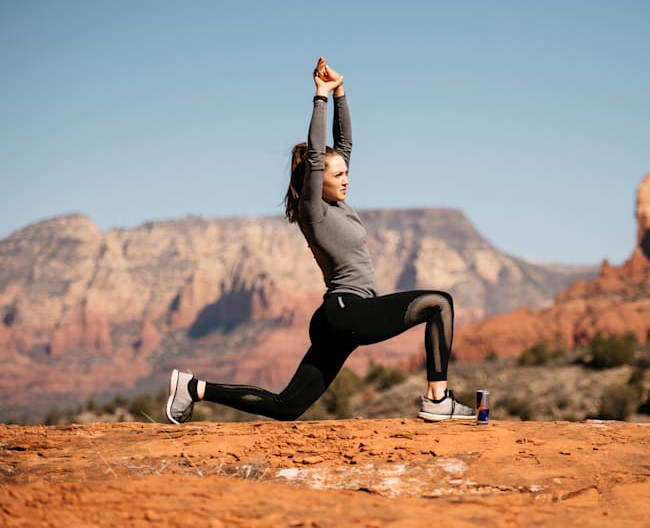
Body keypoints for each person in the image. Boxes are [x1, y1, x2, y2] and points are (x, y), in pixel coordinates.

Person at [166, 56, 475, 424]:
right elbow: (317, 156)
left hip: (339, 319)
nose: (346, 179)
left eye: (346, 172)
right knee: (439, 304)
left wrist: (341, 90)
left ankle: (192, 388)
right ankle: (438, 400)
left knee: (288, 406)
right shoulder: (315, 212)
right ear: (318, 180)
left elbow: (344, 142)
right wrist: (320, 97)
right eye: (338, 174)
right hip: (346, 311)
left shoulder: (337, 202)